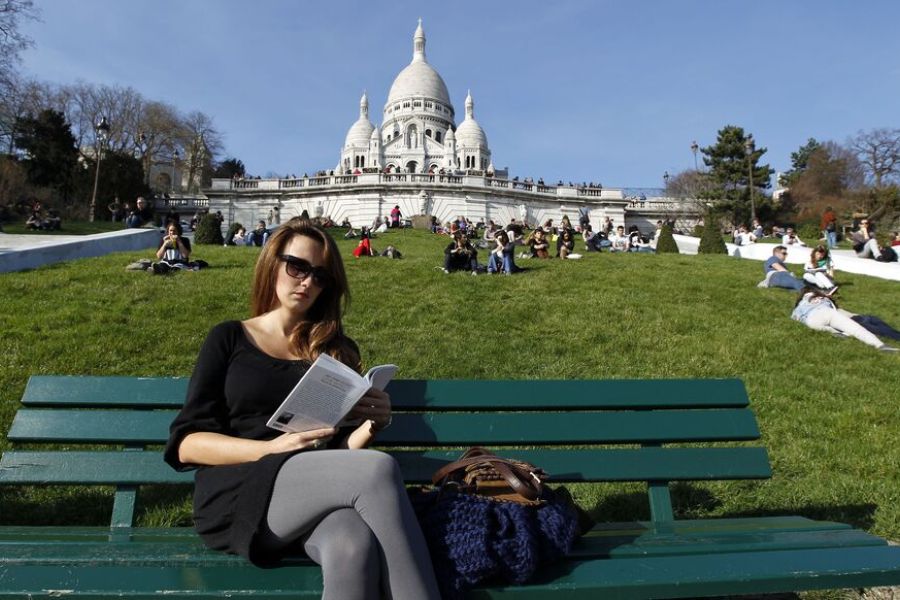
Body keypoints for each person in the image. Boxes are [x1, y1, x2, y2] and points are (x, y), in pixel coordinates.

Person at [164, 218, 442, 599]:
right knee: (379, 467)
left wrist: (369, 428)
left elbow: (339, 457)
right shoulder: (230, 337)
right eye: (297, 267)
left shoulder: (336, 350)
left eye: (320, 276)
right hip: (238, 492)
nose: (307, 282)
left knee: (351, 541)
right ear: (272, 263)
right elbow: (187, 444)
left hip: (307, 493)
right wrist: (268, 448)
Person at [791, 287, 898, 352]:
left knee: (831, 330)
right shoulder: (819, 296)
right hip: (825, 312)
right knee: (856, 329)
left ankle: (839, 333)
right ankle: (880, 345)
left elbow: (794, 317)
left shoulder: (799, 306)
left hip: (810, 320)